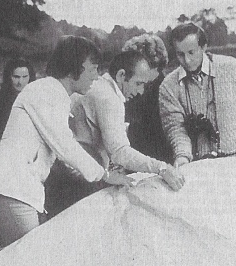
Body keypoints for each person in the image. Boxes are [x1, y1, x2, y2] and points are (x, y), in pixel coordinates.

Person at [0, 36, 133, 246]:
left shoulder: (55, 93)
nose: (96, 77)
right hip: (12, 190)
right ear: (72, 69)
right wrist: (104, 175)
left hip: (17, 191)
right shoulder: (47, 91)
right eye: (93, 69)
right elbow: (65, 146)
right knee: (32, 262)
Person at [45, 50, 185, 218]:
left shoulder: (99, 85)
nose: (141, 91)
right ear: (121, 75)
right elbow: (120, 152)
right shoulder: (108, 98)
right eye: (138, 83)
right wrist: (161, 168)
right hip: (74, 179)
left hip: (61, 172)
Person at [159, 23, 236, 167]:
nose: (186, 60)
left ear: (203, 47)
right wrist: (182, 155)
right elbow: (175, 128)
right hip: (200, 166)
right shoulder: (168, 87)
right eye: (180, 54)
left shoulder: (234, 69)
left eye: (191, 52)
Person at [122, 34, 173, 163]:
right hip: (136, 157)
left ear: (155, 65)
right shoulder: (132, 87)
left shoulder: (168, 88)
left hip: (165, 158)